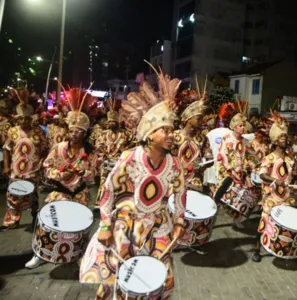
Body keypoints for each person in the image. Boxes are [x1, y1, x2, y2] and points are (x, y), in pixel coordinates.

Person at [80, 71, 186, 300]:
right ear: (149, 134)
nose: (172, 135)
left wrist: (178, 221)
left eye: (172, 130)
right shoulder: (131, 157)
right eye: (165, 130)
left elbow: (180, 195)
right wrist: (106, 225)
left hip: (159, 225)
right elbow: (108, 191)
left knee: (160, 278)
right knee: (117, 279)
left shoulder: (175, 164)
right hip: (126, 226)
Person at [25, 88, 98, 269]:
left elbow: (94, 172)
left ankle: (79, 255)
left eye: (77, 132)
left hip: (80, 192)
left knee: (79, 225)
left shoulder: (90, 152)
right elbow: (47, 166)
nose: (73, 135)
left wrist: (84, 173)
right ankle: (40, 253)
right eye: (71, 131)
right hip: (60, 191)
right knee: (49, 222)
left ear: (84, 133)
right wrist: (59, 174)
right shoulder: (59, 148)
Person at [0, 89, 48, 232]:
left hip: (33, 170)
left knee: (33, 195)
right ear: (17, 119)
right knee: (13, 194)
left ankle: (35, 218)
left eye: (27, 118)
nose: (24, 121)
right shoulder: (12, 131)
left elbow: (46, 149)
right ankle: (12, 221)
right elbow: (6, 149)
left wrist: (41, 163)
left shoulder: (38, 131)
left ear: (31, 118)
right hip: (16, 169)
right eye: (21, 118)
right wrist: (7, 167)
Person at [251, 112, 294, 262]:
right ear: (275, 140)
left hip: (286, 196)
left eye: (285, 136)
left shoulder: (290, 159)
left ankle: (281, 247)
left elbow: (291, 177)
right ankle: (257, 249)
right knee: (264, 220)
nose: (285, 139)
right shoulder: (269, 158)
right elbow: (262, 174)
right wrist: (275, 181)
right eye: (282, 137)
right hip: (271, 197)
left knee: (286, 223)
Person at [214, 101, 258, 228]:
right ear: (233, 126)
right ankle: (212, 215)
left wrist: (253, 163)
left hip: (241, 173)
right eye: (240, 126)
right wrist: (229, 168)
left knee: (239, 197)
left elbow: (253, 155)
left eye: (244, 126)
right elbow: (222, 154)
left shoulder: (245, 141)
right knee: (221, 195)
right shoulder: (227, 138)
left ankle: (237, 219)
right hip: (227, 173)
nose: (243, 128)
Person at [172, 89, 213, 192]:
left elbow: (209, 158)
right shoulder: (175, 136)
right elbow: (169, 160)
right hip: (176, 182)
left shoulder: (203, 138)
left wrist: (206, 161)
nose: (201, 121)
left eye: (201, 118)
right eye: (198, 118)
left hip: (196, 184)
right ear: (188, 118)